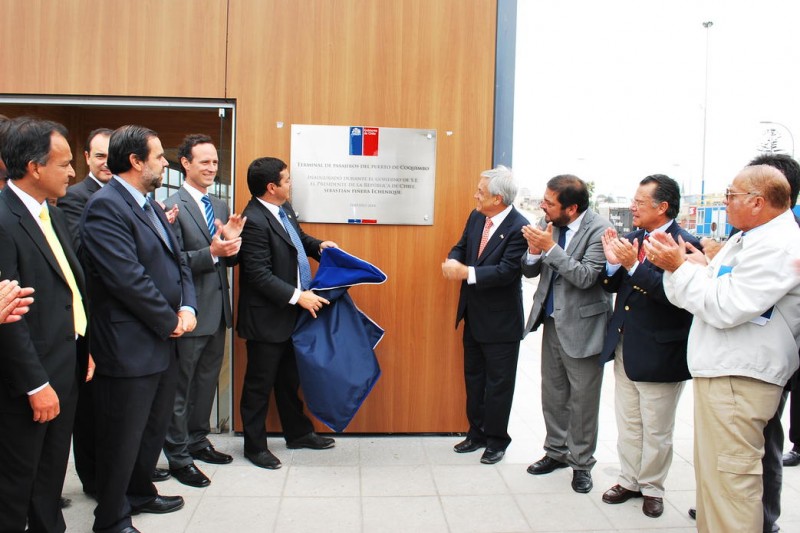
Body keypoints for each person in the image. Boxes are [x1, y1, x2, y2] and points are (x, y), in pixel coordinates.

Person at [647, 164, 800, 533]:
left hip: (740, 378)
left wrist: (680, 267)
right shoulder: (748, 237)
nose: (725, 201)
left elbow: (726, 306)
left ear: (758, 202)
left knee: (733, 486)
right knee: (715, 483)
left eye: (731, 195)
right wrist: (682, 267)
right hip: (726, 372)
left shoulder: (778, 244)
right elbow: (710, 293)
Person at [81, 125, 197, 533]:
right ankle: (111, 518)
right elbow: (125, 278)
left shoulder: (149, 203)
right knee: (122, 437)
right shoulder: (105, 206)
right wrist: (170, 322)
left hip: (163, 340)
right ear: (135, 161)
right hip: (129, 344)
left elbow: (178, 261)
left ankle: (140, 492)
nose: (165, 162)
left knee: (151, 429)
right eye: (160, 156)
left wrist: (187, 306)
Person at [0, 117, 90, 533]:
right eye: (65, 163)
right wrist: (35, 384)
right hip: (30, 380)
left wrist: (81, 349)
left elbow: (69, 287)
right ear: (34, 168)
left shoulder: (48, 213)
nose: (73, 172)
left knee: (51, 477)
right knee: (18, 482)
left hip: (65, 362)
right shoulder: (4, 222)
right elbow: (8, 318)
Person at [598, 174, 697, 518]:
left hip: (660, 349)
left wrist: (631, 264)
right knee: (629, 422)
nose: (633, 207)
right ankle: (629, 479)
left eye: (640, 202)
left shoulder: (685, 244)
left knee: (657, 427)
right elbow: (611, 285)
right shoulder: (631, 238)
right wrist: (613, 261)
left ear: (663, 206)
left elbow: (674, 297)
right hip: (625, 344)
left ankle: (653, 487)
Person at [237, 156, 337, 470]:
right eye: (287, 179)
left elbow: (298, 240)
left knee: (289, 379)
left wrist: (319, 246)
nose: (291, 184)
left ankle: (298, 433)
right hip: (268, 318)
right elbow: (257, 275)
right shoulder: (252, 220)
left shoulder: (283, 209)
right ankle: (255, 447)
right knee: (259, 384)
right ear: (271, 187)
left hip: (292, 316)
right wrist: (298, 297)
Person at [162, 134, 244, 487]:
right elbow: (170, 261)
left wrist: (232, 245)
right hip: (190, 310)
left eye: (214, 162)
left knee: (205, 383)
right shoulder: (170, 205)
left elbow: (227, 257)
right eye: (204, 162)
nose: (211, 168)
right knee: (181, 387)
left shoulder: (221, 206)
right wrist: (212, 253)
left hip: (218, 310)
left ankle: (198, 440)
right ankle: (178, 455)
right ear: (185, 164)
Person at [521, 174, 611, 493]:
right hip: (552, 324)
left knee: (583, 401)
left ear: (571, 208)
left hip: (584, 327)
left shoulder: (600, 230)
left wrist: (549, 249)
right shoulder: (550, 225)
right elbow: (530, 270)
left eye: (549, 202)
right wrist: (534, 251)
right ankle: (555, 452)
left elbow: (586, 277)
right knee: (554, 394)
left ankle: (582, 463)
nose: (543, 207)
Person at [442, 165, 529, 464]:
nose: (475, 196)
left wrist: (466, 272)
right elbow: (462, 246)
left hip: (502, 321)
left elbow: (506, 272)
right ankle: (476, 433)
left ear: (498, 198)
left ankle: (496, 440)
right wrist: (453, 259)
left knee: (499, 384)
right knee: (474, 378)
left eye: (481, 192)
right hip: (474, 315)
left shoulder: (520, 227)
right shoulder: (476, 216)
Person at [58, 128, 114, 251]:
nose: (107, 163)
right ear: (87, 157)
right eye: (100, 156)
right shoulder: (73, 197)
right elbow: (79, 248)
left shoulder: (127, 195)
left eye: (113, 156)